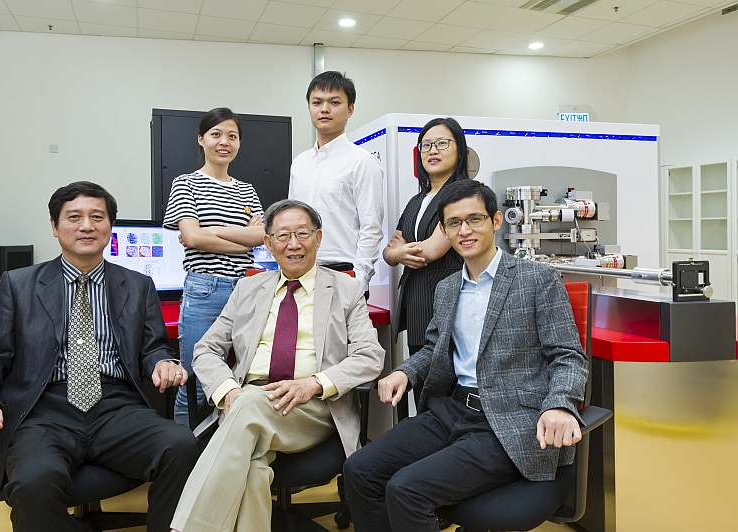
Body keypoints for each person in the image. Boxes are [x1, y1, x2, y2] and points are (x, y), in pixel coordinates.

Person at [0, 181, 199, 532]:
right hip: (43, 410)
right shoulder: (18, 284)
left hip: (116, 407)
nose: (87, 226)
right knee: (33, 482)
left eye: (97, 217)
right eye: (74, 217)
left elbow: (153, 346)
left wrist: (162, 362)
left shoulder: (137, 285)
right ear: (54, 227)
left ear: (110, 227)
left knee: (182, 445)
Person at [343, 180, 588, 532]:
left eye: (475, 219)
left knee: (406, 489)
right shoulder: (446, 288)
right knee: (360, 470)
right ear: (443, 230)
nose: (465, 230)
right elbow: (433, 349)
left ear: (496, 221)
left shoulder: (537, 279)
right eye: (454, 223)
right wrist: (405, 372)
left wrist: (560, 404)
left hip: (508, 421)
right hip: (452, 410)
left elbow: (567, 356)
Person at [170, 199, 385, 532]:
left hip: (313, 405)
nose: (293, 244)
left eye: (302, 233)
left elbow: (370, 356)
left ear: (318, 238)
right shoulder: (248, 288)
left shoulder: (346, 288)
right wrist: (228, 391)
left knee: (251, 404)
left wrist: (314, 383)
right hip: (246, 403)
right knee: (253, 464)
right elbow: (206, 349)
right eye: (283, 236)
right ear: (267, 243)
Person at [163, 107, 265, 427]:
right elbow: (191, 236)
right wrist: (240, 240)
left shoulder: (246, 189)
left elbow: (261, 237)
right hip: (205, 287)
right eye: (216, 134)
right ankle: (185, 461)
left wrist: (209, 233)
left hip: (247, 289)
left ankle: (225, 451)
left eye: (232, 136)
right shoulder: (186, 183)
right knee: (194, 381)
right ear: (201, 139)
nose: (225, 142)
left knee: (243, 378)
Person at [288, 71, 384, 295]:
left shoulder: (362, 162)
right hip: (298, 273)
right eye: (317, 102)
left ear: (350, 109)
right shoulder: (300, 163)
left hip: (343, 274)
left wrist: (359, 280)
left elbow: (372, 227)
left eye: (334, 102)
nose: (324, 109)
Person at [384, 117, 470, 356]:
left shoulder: (462, 195)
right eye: (426, 145)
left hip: (448, 306)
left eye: (442, 143)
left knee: (446, 386)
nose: (433, 151)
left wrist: (400, 251)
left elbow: (432, 250)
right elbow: (389, 252)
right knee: (421, 384)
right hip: (417, 307)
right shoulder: (417, 200)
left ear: (460, 151)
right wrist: (396, 252)